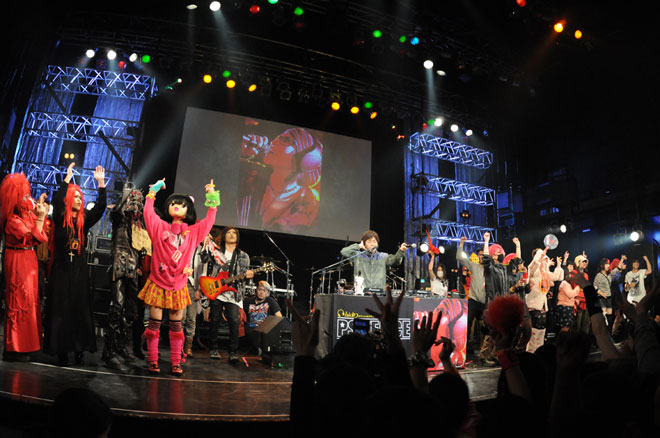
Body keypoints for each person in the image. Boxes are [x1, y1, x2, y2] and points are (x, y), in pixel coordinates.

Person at [138, 177, 219, 376]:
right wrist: (154, 191)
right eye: (173, 203)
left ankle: (175, 362)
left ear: (188, 210)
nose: (177, 207)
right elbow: (148, 213)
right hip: (158, 283)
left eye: (182, 205)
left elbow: (209, 221)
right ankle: (153, 360)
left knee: (177, 326)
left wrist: (212, 197)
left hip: (178, 285)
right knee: (154, 324)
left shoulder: (193, 232)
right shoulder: (159, 227)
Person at [43, 163, 107, 366]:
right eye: (76, 196)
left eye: (81, 197)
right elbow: (57, 201)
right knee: (60, 310)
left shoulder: (84, 220)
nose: (79, 199)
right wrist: (66, 179)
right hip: (61, 270)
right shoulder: (60, 217)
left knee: (79, 310)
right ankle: (61, 349)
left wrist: (101, 184)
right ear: (69, 198)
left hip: (79, 271)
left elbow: (100, 209)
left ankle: (79, 349)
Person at [0, 173, 48, 361]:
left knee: (29, 301)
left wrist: (39, 212)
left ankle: (27, 345)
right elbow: (31, 236)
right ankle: (13, 348)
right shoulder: (12, 220)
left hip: (28, 258)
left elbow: (40, 235)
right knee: (18, 300)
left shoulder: (25, 215)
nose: (27, 198)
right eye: (23, 195)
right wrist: (39, 217)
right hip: (18, 259)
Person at [101, 187, 150, 370]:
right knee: (117, 307)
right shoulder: (119, 220)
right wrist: (127, 194)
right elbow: (116, 211)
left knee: (130, 311)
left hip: (132, 268)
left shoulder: (138, 225)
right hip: (120, 266)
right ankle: (108, 351)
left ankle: (120, 345)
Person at [260, 128, 323, 232]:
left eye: (285, 140)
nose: (273, 142)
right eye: (278, 137)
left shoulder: (309, 205)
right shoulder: (251, 178)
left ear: (305, 161)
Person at [208, 226, 254, 363]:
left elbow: (244, 275)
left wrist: (248, 276)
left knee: (234, 321)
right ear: (224, 236)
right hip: (217, 290)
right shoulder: (216, 252)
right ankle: (213, 348)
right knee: (214, 320)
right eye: (229, 232)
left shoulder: (243, 256)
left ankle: (233, 352)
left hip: (233, 292)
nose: (232, 234)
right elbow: (209, 268)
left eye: (235, 233)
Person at [340, 230, 408, 291]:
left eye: (374, 241)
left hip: (378, 294)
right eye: (369, 242)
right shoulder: (358, 256)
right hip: (362, 292)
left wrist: (401, 251)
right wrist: (359, 246)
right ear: (364, 244)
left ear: (377, 243)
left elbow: (396, 261)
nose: (372, 244)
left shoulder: (383, 256)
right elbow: (344, 252)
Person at [457, 236, 486, 358]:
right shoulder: (474, 266)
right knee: (467, 324)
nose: (481, 257)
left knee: (487, 327)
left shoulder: (492, 269)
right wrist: (461, 244)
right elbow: (459, 258)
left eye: (483, 255)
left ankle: (485, 352)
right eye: (479, 255)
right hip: (473, 300)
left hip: (485, 302)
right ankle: (465, 349)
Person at [243, 280, 282, 354]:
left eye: (264, 291)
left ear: (267, 293)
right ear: (256, 290)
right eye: (260, 289)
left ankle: (261, 349)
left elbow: (279, 317)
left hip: (265, 328)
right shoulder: (248, 301)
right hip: (251, 328)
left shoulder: (270, 301)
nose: (261, 292)